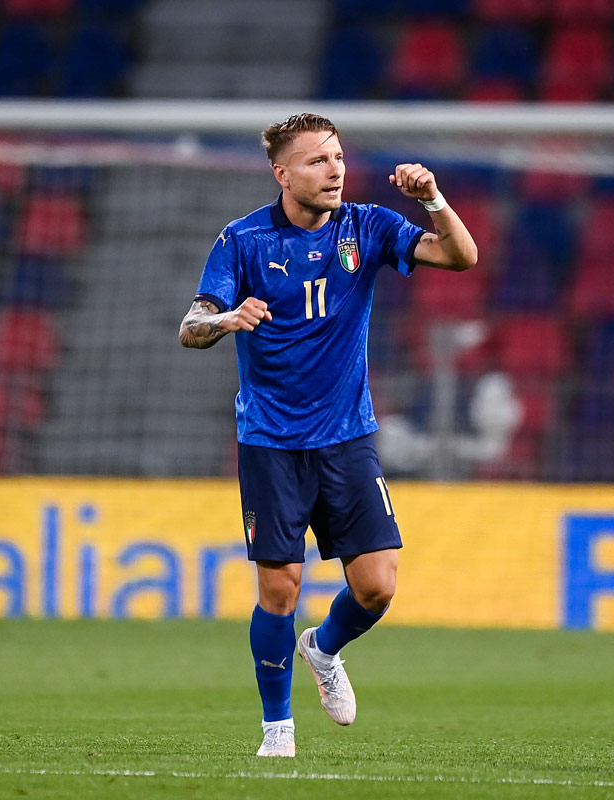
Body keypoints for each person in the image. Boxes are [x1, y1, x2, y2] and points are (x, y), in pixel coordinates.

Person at [179, 113, 477, 758]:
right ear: (282, 173)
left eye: (337, 156)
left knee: (377, 586)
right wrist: (230, 317)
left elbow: (461, 256)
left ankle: (324, 648)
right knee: (279, 586)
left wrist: (433, 201)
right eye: (316, 160)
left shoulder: (366, 226)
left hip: (346, 437)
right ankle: (277, 732)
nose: (334, 169)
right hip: (270, 440)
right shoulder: (243, 239)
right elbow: (191, 325)